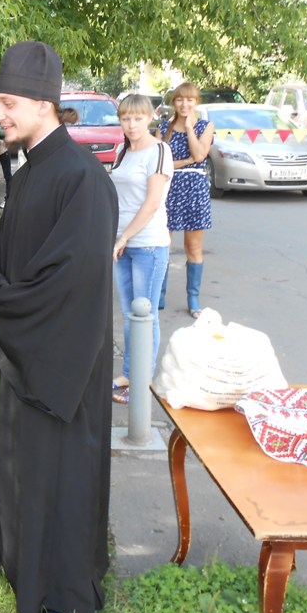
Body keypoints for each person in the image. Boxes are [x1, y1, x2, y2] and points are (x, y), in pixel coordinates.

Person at [0, 41, 117, 613]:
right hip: (29, 346)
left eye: (7, 104)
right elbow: (2, 256)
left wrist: (2, 310)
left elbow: (73, 283)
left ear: (42, 104)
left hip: (63, 360)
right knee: (22, 460)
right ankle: (14, 554)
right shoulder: (34, 168)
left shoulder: (82, 179)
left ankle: (60, 592)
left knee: (60, 472)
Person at [110, 95, 173, 403]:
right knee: (127, 314)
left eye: (137, 118)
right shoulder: (122, 150)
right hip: (121, 243)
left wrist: (124, 238)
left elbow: (151, 203)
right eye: (125, 119)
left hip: (147, 243)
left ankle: (143, 382)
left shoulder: (160, 151)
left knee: (145, 316)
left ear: (150, 117)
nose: (131, 125)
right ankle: (129, 373)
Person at [157, 82, 214, 317]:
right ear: (174, 102)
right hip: (168, 187)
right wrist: (186, 161)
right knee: (163, 244)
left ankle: (193, 299)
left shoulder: (205, 126)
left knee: (193, 247)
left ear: (196, 102)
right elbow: (160, 161)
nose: (184, 104)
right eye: (180, 99)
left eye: (190, 100)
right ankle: (158, 295)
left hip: (195, 188)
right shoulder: (163, 128)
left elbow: (200, 154)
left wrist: (190, 128)